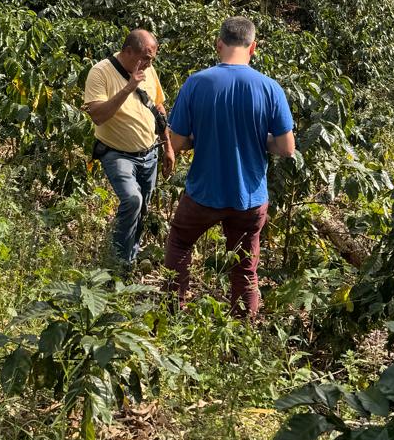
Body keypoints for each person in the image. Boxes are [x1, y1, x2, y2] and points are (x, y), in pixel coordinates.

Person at [164, 16, 295, 317]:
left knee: (180, 245)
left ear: (218, 44)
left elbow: (178, 141)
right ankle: (241, 335)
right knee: (245, 269)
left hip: (203, 193)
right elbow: (287, 149)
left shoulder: (197, 82)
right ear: (253, 47)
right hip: (248, 198)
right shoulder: (270, 88)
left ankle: (172, 316)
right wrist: (257, 140)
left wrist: (202, 136)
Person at [83, 29, 175, 274]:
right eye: (144, 57)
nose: (148, 63)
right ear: (127, 51)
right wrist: (127, 88)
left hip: (149, 153)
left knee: (142, 206)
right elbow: (98, 116)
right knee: (132, 200)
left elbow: (158, 106)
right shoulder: (100, 72)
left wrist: (168, 145)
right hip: (117, 153)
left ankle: (128, 260)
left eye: (152, 59)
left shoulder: (148, 70)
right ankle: (116, 262)